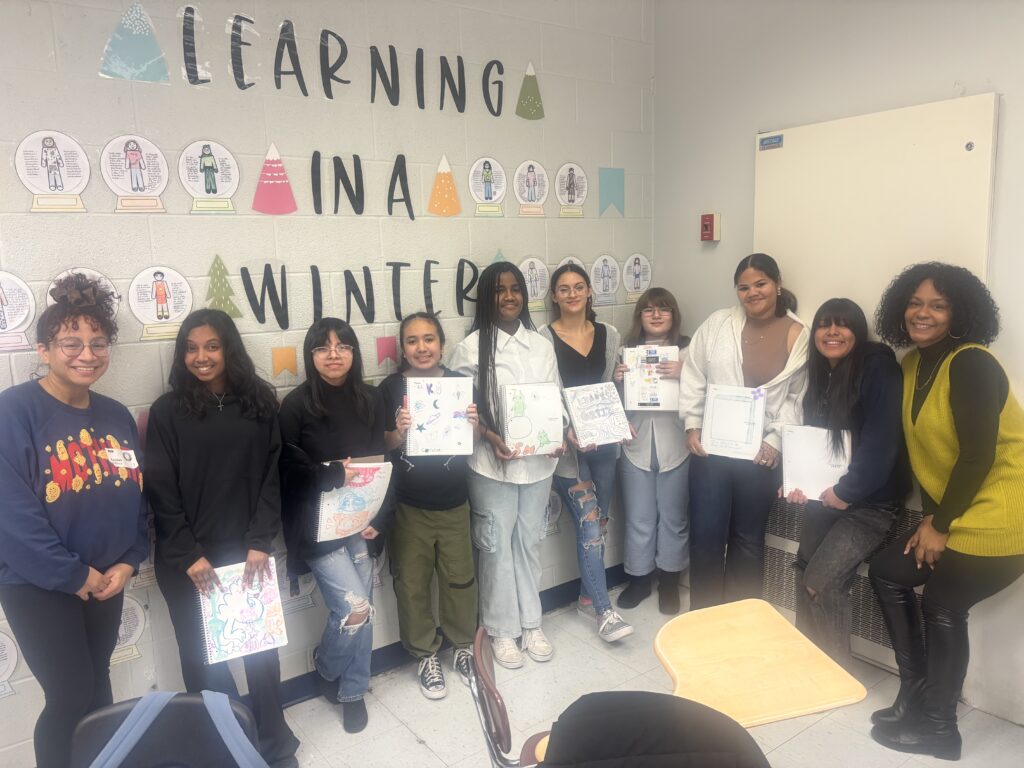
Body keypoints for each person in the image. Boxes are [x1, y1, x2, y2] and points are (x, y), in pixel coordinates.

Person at [868, 263, 1024, 760]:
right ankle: (915, 696)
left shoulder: (972, 362)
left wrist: (940, 524)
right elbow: (932, 460)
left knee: (942, 604)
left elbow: (978, 455)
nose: (923, 313)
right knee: (887, 573)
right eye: (915, 302)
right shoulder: (914, 365)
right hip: (959, 515)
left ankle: (939, 726)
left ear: (959, 313)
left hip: (1002, 518)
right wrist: (933, 521)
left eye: (938, 304)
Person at [0, 273, 148, 768]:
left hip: (107, 580)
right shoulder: (13, 412)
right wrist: (72, 574)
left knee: (98, 683)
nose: (87, 354)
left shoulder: (116, 415)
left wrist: (129, 561)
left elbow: (134, 494)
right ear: (44, 349)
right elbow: (11, 517)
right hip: (38, 584)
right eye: (71, 343)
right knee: (68, 695)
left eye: (97, 343)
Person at [145, 309, 298, 768]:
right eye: (191, 348)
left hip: (245, 554)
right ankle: (228, 746)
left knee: (261, 658)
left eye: (211, 346)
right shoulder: (168, 410)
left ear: (228, 348)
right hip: (187, 560)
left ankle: (274, 744)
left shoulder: (259, 403)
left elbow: (274, 478)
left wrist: (259, 541)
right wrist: (187, 552)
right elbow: (160, 488)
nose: (201, 357)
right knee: (202, 662)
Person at [278, 318, 389, 734]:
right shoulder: (294, 405)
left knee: (366, 608)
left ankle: (353, 691)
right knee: (355, 608)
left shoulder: (371, 399)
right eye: (323, 348)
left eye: (342, 346)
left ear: (354, 353)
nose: (334, 355)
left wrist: (378, 517)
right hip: (316, 527)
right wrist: (332, 475)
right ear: (311, 357)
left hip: (360, 519)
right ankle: (325, 669)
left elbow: (380, 462)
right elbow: (287, 472)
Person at [680, 253, 809, 609]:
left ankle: (741, 619)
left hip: (759, 456)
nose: (752, 293)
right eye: (743, 287)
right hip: (712, 451)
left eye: (760, 284)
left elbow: (796, 398)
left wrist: (774, 440)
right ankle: (703, 617)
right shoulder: (718, 324)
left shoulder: (799, 335)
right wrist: (692, 423)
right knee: (706, 536)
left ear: (777, 283)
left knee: (748, 540)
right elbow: (693, 374)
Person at [450, 262, 562, 669]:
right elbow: (461, 412)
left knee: (529, 544)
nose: (510, 296)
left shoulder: (542, 344)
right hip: (489, 467)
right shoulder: (470, 347)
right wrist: (489, 435)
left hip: (537, 465)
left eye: (516, 288)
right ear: (487, 297)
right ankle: (500, 630)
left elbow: (555, 396)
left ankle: (531, 623)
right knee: (495, 548)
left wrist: (559, 433)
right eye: (500, 290)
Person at [784, 298, 905, 666]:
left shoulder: (878, 370)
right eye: (824, 324)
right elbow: (813, 443)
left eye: (843, 325)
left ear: (858, 331)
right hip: (826, 496)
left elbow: (881, 445)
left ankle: (837, 672)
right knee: (804, 572)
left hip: (868, 504)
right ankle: (807, 661)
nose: (832, 332)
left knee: (822, 581)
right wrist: (796, 481)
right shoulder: (821, 374)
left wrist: (846, 492)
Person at [381, 313, 480, 700]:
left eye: (429, 339)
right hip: (408, 505)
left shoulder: (459, 384)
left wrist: (473, 426)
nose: (421, 348)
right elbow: (384, 445)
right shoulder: (390, 388)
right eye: (412, 341)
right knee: (412, 584)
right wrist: (399, 431)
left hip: (455, 501)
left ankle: (462, 646)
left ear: (441, 342)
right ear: (402, 348)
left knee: (460, 579)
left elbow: (473, 443)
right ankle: (425, 653)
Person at [539, 264, 634, 641]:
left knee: (600, 523)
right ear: (554, 296)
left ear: (590, 291)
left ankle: (584, 596)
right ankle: (604, 612)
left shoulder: (609, 334)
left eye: (579, 287)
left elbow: (610, 388)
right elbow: (545, 392)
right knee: (591, 526)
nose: (572, 294)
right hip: (570, 452)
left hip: (605, 445)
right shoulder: (543, 339)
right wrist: (566, 429)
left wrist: (624, 392)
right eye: (564, 289)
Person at [614, 288, 691, 614]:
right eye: (648, 310)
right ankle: (639, 579)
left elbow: (705, 393)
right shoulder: (624, 352)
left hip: (678, 445)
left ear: (673, 315)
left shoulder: (688, 352)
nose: (656, 315)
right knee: (639, 517)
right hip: (636, 443)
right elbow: (608, 405)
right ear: (639, 317)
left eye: (663, 309)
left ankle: (670, 581)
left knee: (673, 517)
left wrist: (684, 373)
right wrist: (618, 380)